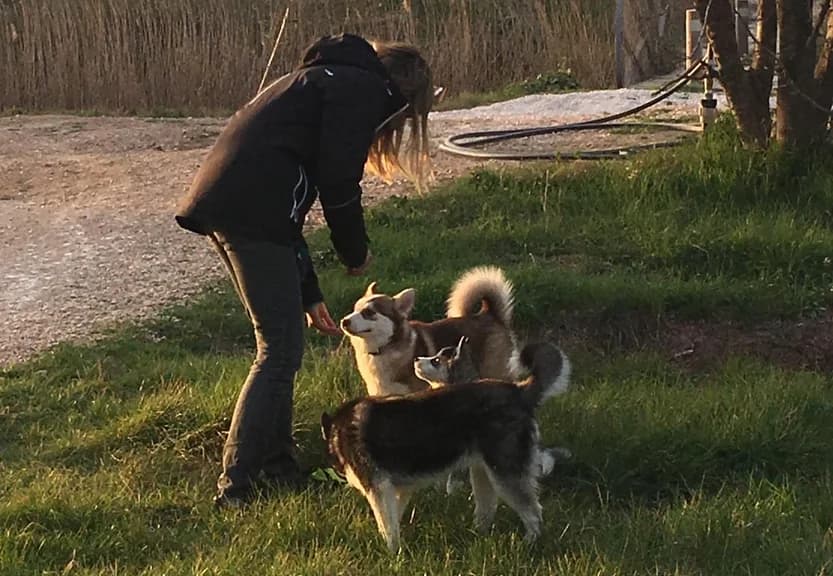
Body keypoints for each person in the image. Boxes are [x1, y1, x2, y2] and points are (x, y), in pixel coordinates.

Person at [174, 33, 434, 508]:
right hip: (251, 213)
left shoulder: (323, 79)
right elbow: (338, 185)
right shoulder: (363, 91)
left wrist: (308, 292)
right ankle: (237, 486)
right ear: (403, 94)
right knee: (278, 351)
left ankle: (278, 467)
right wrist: (355, 253)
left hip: (231, 203)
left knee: (281, 342)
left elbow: (289, 208)